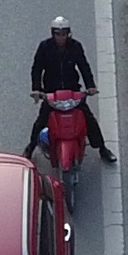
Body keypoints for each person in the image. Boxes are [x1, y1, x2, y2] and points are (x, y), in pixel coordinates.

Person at [24, 17, 115, 163]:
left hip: (72, 92)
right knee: (41, 122)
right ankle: (31, 146)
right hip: (52, 94)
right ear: (53, 34)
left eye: (64, 34)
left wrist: (90, 86)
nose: (61, 38)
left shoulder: (76, 47)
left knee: (89, 120)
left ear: (68, 34)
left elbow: (84, 67)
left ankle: (102, 148)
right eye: (58, 34)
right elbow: (37, 69)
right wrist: (37, 90)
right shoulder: (44, 47)